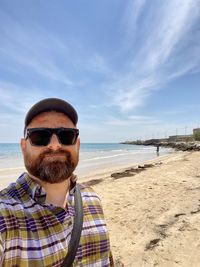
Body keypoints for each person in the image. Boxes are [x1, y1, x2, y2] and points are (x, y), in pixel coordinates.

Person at [0, 98, 114, 266]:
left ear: (78, 145)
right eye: (40, 136)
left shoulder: (92, 198)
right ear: (23, 146)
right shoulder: (6, 214)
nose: (55, 145)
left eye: (66, 136)